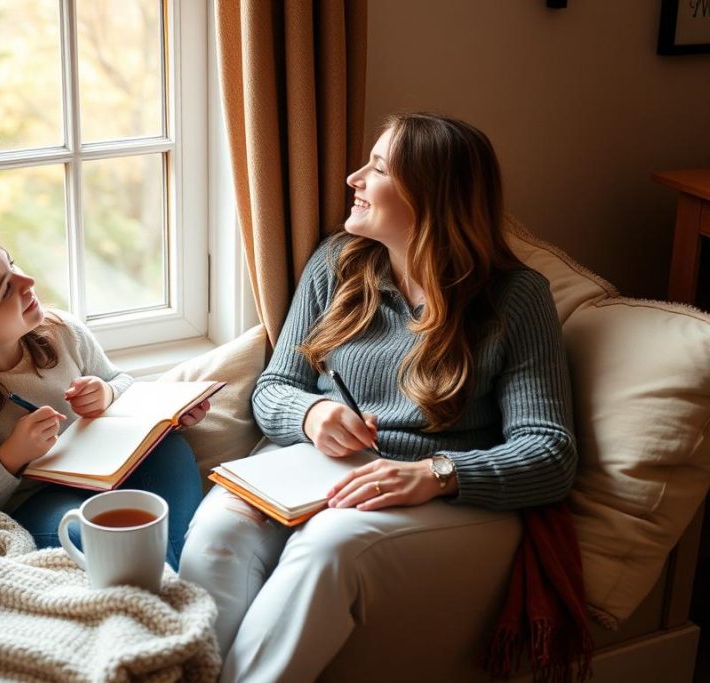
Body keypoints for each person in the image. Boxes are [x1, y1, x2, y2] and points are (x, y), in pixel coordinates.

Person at [179, 112, 578, 680]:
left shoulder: (516, 298)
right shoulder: (338, 264)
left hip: (440, 491)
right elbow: (274, 390)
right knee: (220, 528)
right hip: (315, 468)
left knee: (329, 546)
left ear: (429, 196)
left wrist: (433, 474)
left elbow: (550, 452)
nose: (353, 178)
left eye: (378, 167)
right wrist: (314, 414)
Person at [0, 231, 207, 570]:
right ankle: (168, 581)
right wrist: (10, 457)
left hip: (113, 473)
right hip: (40, 505)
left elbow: (122, 381)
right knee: (81, 530)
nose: (28, 281)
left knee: (170, 452)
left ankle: (173, 572)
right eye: (5, 289)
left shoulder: (63, 332)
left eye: (13, 265)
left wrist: (107, 392)